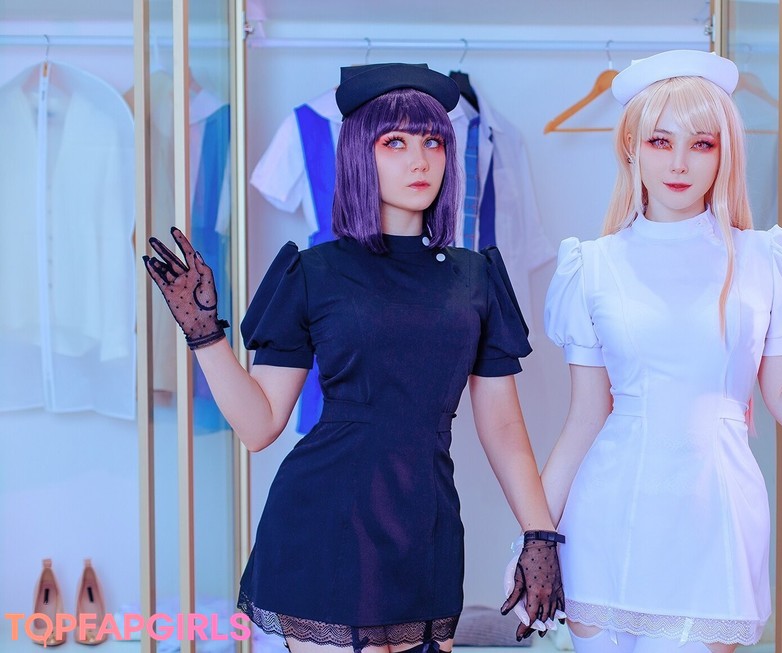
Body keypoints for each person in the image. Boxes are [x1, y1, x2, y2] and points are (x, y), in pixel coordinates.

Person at [143, 63, 564, 653]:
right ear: (360, 155)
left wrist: (539, 535)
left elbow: (504, 428)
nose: (419, 160)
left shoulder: (475, 278)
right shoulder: (313, 271)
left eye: (433, 142)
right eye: (395, 143)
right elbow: (260, 426)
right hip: (323, 522)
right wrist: (203, 334)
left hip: (426, 528)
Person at [541, 50, 782, 653]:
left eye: (701, 143)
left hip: (714, 521)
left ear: (724, 152)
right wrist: (533, 535)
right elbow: (584, 420)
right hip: (605, 519)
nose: (679, 162)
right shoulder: (593, 265)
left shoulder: (762, 259)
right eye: (660, 141)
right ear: (631, 148)